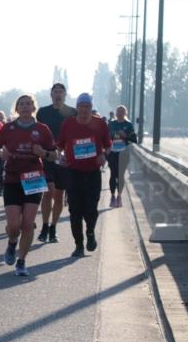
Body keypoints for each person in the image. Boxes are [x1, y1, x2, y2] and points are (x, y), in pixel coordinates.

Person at [0, 95, 57, 277]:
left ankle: (21, 262)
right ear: (17, 108)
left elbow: (54, 155)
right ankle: (12, 243)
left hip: (34, 178)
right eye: (21, 104)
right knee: (14, 226)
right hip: (12, 178)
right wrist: (2, 154)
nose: (25, 107)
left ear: (33, 107)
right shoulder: (8, 128)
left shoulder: (42, 129)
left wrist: (43, 152)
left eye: (28, 104)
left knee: (28, 224)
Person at [58, 93, 110, 257]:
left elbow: (108, 146)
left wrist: (104, 155)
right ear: (77, 107)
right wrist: (60, 156)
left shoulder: (100, 123)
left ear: (91, 107)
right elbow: (60, 146)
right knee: (75, 211)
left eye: (87, 106)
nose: (84, 110)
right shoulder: (68, 123)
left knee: (91, 209)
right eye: (81, 106)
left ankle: (90, 232)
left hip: (92, 173)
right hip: (73, 172)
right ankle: (79, 245)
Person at [36, 83, 76, 243]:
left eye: (61, 92)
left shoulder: (72, 113)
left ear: (65, 95)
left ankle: (53, 228)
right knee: (48, 191)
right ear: (51, 94)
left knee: (59, 195)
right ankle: (45, 226)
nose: (58, 94)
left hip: (64, 158)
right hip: (46, 157)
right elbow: (36, 132)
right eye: (55, 92)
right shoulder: (42, 112)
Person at [106, 105, 136, 207]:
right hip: (113, 153)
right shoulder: (111, 124)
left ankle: (119, 196)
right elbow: (106, 137)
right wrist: (112, 136)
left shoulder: (128, 124)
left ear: (125, 113)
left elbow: (133, 139)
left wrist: (125, 136)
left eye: (122, 112)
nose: (120, 113)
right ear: (116, 113)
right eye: (118, 111)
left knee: (120, 175)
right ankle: (112, 196)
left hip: (124, 153)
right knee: (113, 174)